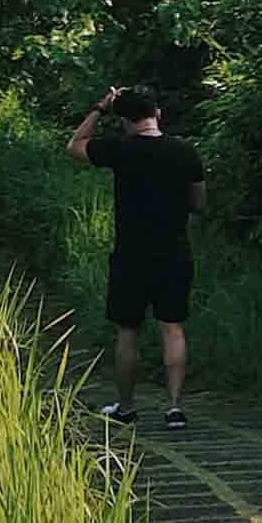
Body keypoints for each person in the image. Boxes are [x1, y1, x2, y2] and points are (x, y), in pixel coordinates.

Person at [64, 84, 206, 430]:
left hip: (131, 255)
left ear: (125, 120)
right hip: (174, 252)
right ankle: (174, 408)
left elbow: (74, 147)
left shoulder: (121, 150)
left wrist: (100, 108)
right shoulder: (186, 152)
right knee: (172, 328)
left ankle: (126, 407)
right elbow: (200, 204)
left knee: (128, 331)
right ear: (158, 114)